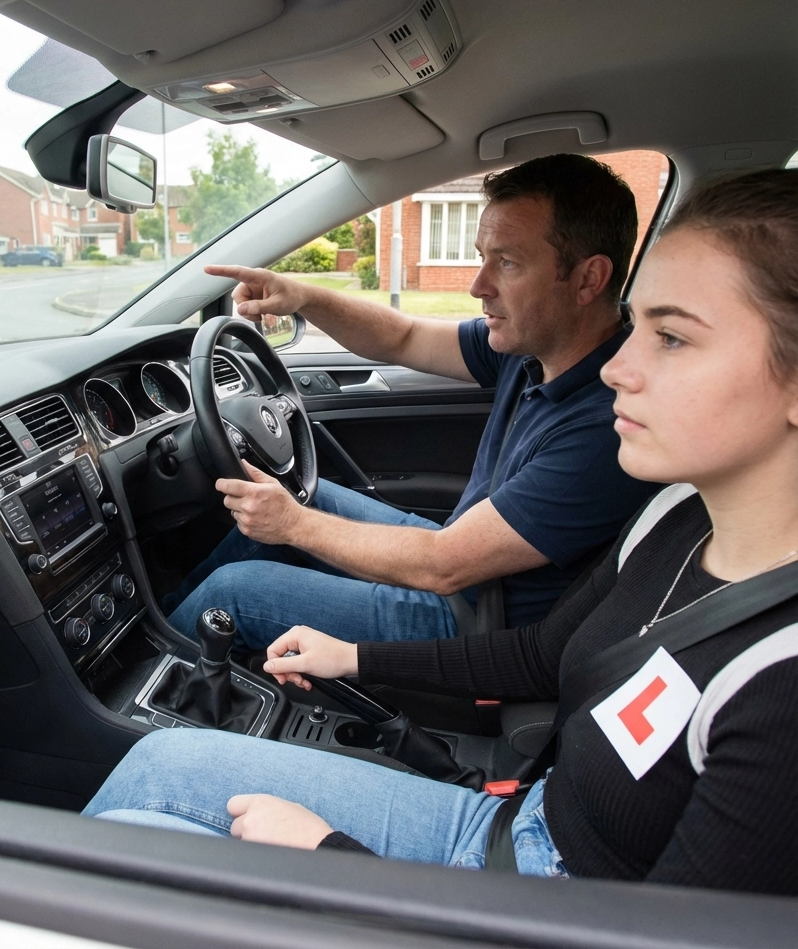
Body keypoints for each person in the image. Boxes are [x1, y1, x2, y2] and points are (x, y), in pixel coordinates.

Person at [85, 168, 798, 893]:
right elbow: (542, 657)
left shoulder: (777, 683)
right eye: (640, 324)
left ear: (586, 278)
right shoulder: (676, 518)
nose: (622, 367)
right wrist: (355, 659)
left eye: (671, 337)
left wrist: (336, 859)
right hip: (519, 819)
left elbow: (446, 566)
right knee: (151, 772)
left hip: (524, 875)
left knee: (136, 829)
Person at [166, 154, 661, 649]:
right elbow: (402, 337)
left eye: (507, 263)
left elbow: (444, 565)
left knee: (234, 590)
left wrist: (292, 526)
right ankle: (169, 620)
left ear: (588, 279)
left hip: (477, 624)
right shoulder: (536, 345)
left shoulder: (610, 424)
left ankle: (139, 683)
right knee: (292, 493)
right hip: (462, 566)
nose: (477, 286)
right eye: (482, 257)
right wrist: (304, 297)